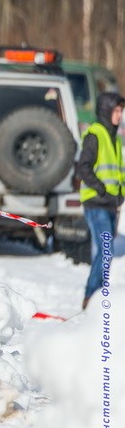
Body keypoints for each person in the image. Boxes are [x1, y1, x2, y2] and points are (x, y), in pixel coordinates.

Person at [76, 92, 125, 309]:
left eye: (121, 111)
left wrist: (120, 193)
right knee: (106, 250)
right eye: (117, 110)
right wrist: (101, 189)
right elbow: (83, 168)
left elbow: (118, 172)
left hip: (111, 204)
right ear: (106, 110)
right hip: (96, 203)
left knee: (106, 253)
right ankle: (90, 299)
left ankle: (96, 300)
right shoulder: (95, 134)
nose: (120, 115)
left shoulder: (114, 137)